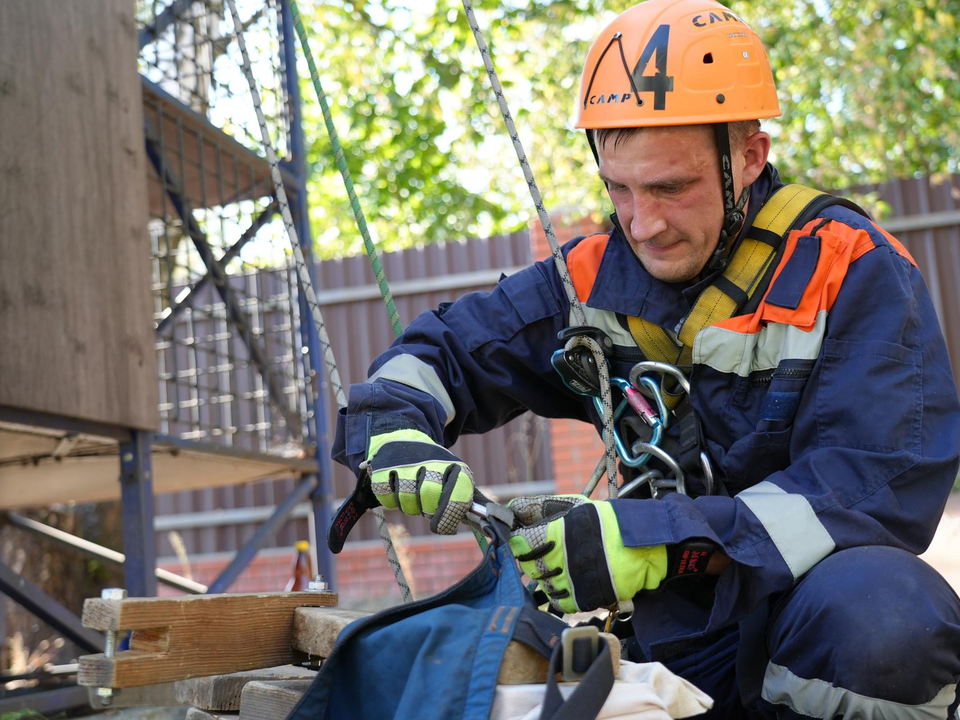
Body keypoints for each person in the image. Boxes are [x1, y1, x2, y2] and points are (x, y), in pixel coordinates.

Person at [331, 0, 960, 717]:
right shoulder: (593, 278)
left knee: (887, 621)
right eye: (618, 188)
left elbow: (871, 487)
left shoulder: (851, 268)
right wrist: (395, 430)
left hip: (811, 631)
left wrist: (656, 543)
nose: (643, 223)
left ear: (748, 157)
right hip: (670, 639)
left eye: (670, 187)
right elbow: (443, 351)